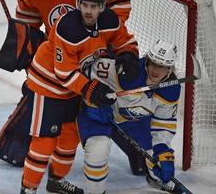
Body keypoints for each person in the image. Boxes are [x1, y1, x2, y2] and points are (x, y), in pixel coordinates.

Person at [0, 0, 132, 193]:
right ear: (78, 4)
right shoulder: (68, 28)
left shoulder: (108, 19)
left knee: (69, 138)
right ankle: (28, 189)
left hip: (77, 81)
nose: (88, 11)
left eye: (94, 6)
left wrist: (126, 53)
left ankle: (56, 181)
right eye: (85, 5)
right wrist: (91, 88)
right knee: (45, 142)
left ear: (102, 7)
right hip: (50, 84)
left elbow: (123, 36)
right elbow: (64, 72)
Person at [77, 39, 181, 194]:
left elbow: (163, 124)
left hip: (131, 119)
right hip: (99, 115)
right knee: (99, 150)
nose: (156, 70)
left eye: (162, 66)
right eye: (153, 63)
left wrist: (163, 150)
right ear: (147, 60)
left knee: (156, 153)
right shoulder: (125, 70)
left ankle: (158, 179)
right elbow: (81, 71)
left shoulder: (170, 89)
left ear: (170, 68)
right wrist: (90, 100)